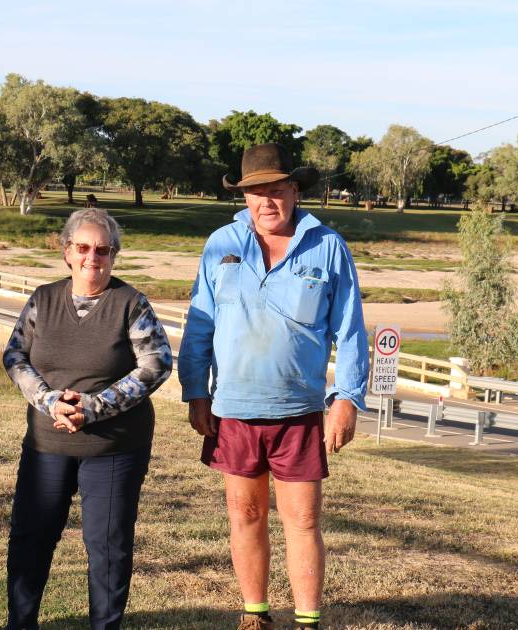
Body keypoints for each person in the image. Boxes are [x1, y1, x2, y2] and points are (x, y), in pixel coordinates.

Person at [178, 143, 369, 630]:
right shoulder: (220, 244)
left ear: (295, 190)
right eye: (256, 192)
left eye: (277, 190)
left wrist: (347, 399)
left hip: (300, 412)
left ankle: (307, 620)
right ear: (244, 197)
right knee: (244, 513)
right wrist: (195, 392)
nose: (267, 201)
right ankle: (254, 613)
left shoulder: (328, 246)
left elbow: (348, 331)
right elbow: (200, 324)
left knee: (302, 520)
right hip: (233, 408)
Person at [2, 208, 172, 630]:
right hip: (47, 444)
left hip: (114, 447)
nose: (91, 258)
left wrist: (95, 407)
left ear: (114, 255)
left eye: (102, 249)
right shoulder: (43, 299)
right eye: (82, 248)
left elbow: (156, 364)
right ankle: (20, 623)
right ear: (67, 252)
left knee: (108, 548)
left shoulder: (131, 303)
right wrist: (48, 401)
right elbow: (15, 355)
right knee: (31, 540)